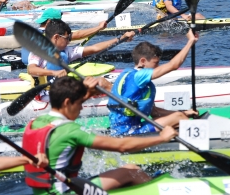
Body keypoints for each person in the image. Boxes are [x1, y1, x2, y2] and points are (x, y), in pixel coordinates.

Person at [22, 77, 176, 194]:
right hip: (66, 192)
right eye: (80, 103)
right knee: (132, 172)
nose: (82, 108)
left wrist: (85, 93)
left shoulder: (38, 121)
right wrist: (161, 137)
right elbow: (122, 146)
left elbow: (69, 107)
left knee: (130, 168)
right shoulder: (71, 130)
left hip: (45, 191)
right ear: (67, 102)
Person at [108, 30, 199, 136]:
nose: (158, 67)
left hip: (132, 127)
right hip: (128, 133)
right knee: (179, 118)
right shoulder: (138, 75)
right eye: (155, 63)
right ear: (142, 61)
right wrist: (190, 42)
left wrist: (186, 113)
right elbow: (173, 65)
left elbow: (154, 112)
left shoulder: (131, 75)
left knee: (179, 117)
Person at [27, 19, 133, 90]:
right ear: (56, 37)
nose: (69, 41)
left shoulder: (67, 50)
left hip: (61, 90)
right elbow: (31, 70)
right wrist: (54, 73)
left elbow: (94, 48)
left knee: (100, 82)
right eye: (67, 38)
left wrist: (120, 39)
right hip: (43, 93)